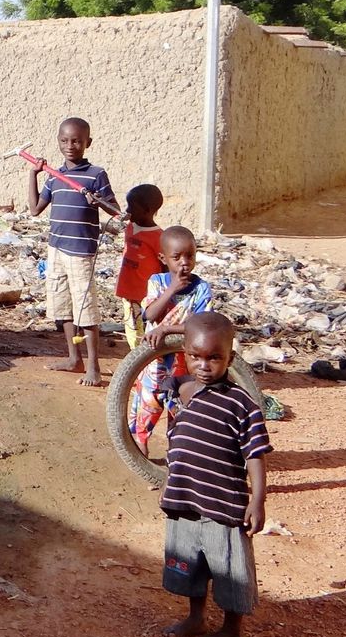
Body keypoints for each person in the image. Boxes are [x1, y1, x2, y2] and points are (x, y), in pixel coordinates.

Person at [160, 311, 271, 637]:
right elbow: (167, 384)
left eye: (214, 358)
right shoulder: (183, 390)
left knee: (229, 570)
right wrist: (172, 382)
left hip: (223, 505)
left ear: (230, 358)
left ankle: (233, 631)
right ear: (185, 354)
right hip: (185, 498)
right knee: (190, 565)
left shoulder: (242, 405)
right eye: (195, 356)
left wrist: (257, 500)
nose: (204, 365)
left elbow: (255, 454)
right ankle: (196, 618)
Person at [27, 117, 120, 386]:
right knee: (63, 305)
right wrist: (33, 175)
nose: (71, 146)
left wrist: (98, 200)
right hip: (56, 248)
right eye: (65, 141)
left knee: (86, 309)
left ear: (87, 143)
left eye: (77, 141)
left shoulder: (96, 175)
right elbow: (35, 210)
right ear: (58, 142)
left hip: (81, 252)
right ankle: (73, 358)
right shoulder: (55, 178)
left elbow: (115, 210)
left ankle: (94, 366)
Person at [129, 225, 212, 456]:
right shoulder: (157, 282)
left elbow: (200, 326)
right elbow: (150, 314)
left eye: (190, 256)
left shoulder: (201, 289)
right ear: (163, 258)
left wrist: (167, 330)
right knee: (150, 403)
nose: (184, 262)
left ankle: (175, 457)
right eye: (177, 257)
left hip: (185, 360)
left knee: (181, 408)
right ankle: (140, 452)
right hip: (154, 359)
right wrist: (172, 289)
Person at [115, 184, 164, 349]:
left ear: (147, 210)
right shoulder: (130, 227)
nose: (128, 210)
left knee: (150, 328)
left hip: (148, 295)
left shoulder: (158, 237)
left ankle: (148, 362)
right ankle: (135, 362)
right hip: (129, 290)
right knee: (132, 329)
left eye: (132, 207)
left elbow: (165, 266)